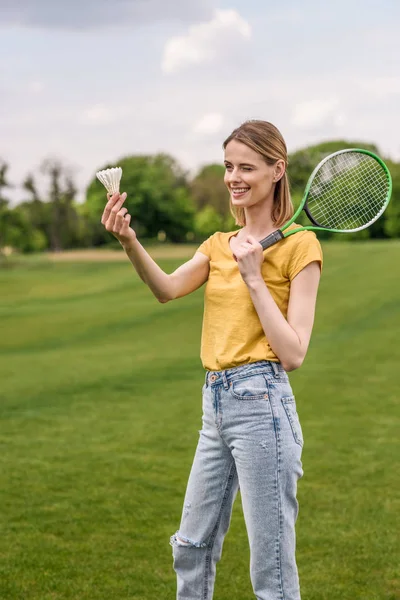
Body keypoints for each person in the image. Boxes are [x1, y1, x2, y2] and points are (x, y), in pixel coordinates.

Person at [100, 120, 323, 600]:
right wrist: (129, 241)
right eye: (228, 166)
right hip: (216, 406)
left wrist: (255, 278)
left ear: (276, 170)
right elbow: (166, 289)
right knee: (192, 547)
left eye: (246, 166)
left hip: (263, 404)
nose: (233, 177)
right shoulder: (218, 244)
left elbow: (294, 352)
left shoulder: (301, 245)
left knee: (272, 572)